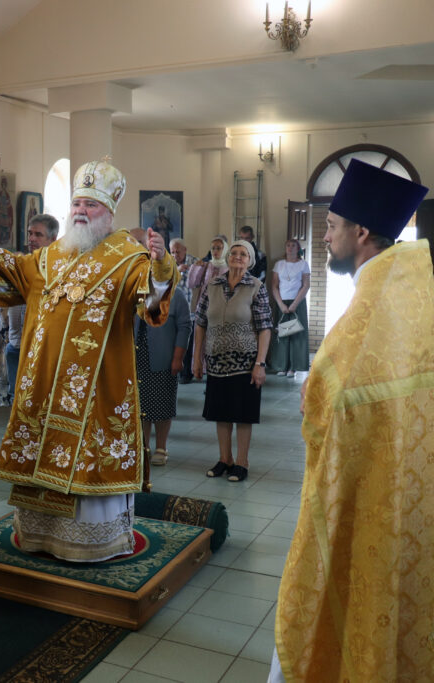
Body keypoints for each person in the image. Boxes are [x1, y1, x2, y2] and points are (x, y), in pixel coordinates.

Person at [0, 159, 178, 562]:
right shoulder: (50, 256)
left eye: (91, 204)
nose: (81, 210)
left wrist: (162, 264)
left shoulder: (129, 257)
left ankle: (91, 542)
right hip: (43, 385)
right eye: (77, 202)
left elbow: (151, 300)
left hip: (94, 392)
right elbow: (11, 268)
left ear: (108, 212)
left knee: (88, 462)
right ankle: (41, 535)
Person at [271, 159, 432, 682]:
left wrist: (314, 396)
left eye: (332, 226)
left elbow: (333, 396)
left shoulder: (373, 306)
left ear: (361, 232)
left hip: (368, 487)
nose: (324, 236)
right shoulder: (412, 290)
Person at [192, 240, 272, 482]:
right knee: (221, 412)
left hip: (245, 362)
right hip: (216, 361)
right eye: (234, 253)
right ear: (227, 257)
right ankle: (224, 459)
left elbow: (265, 328)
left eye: (243, 254)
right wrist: (197, 358)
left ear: (250, 260)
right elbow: (200, 323)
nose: (238, 257)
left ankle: (241, 462)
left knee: (243, 414)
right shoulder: (212, 285)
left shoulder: (256, 287)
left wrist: (260, 364)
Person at [130, 229, 191, 467]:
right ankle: (144, 446)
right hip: (136, 356)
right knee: (142, 405)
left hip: (162, 356)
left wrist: (178, 357)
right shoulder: (132, 285)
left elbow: (184, 326)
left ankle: (161, 447)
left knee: (162, 405)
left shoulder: (172, 290)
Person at [0, 214, 60, 406]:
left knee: (41, 400)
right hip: (16, 344)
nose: (32, 238)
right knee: (17, 399)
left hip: (44, 348)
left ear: (53, 239)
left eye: (38, 234)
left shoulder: (60, 270)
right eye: (30, 233)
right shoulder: (20, 267)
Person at [268, 239, 310, 377]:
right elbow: (274, 286)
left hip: (297, 303)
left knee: (296, 334)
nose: (290, 248)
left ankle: (293, 367)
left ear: (298, 249)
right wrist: (281, 304)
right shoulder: (279, 264)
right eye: (288, 245)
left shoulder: (303, 264)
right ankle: (282, 366)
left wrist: (294, 304)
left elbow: (306, 285)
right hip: (281, 302)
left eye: (293, 246)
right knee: (282, 334)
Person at [170, 237, 197, 383]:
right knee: (174, 342)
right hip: (173, 311)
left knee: (189, 343)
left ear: (185, 250)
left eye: (178, 252)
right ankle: (175, 372)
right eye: (172, 252)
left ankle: (187, 373)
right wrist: (176, 271)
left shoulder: (195, 262)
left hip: (191, 309)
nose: (175, 255)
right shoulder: (167, 264)